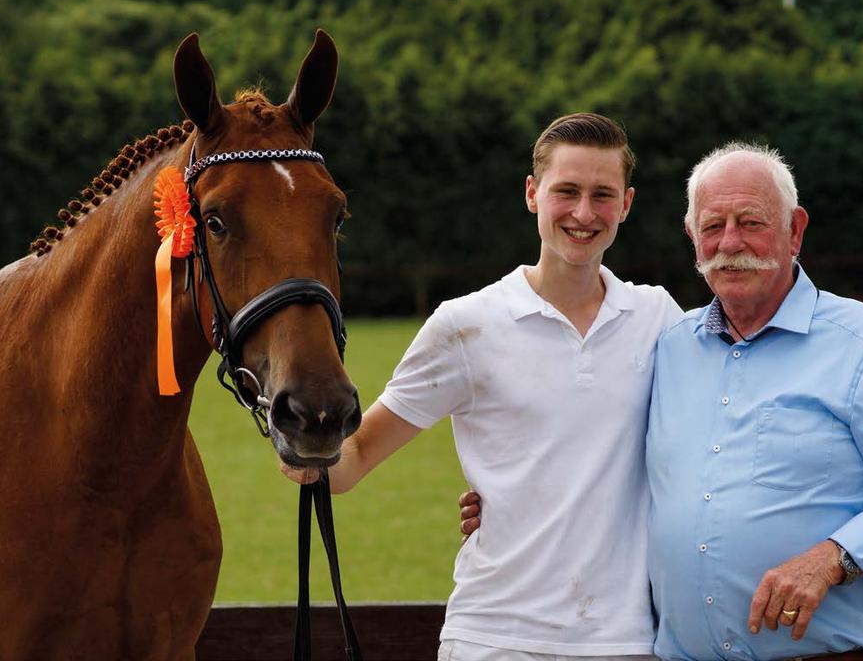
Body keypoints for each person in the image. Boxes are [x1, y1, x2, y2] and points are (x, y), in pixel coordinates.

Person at [284, 113, 682, 660]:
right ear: (532, 194)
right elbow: (354, 459)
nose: (584, 213)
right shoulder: (465, 325)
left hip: (627, 641)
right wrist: (306, 445)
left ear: (627, 204)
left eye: (602, 195)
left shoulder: (659, 317)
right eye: (566, 191)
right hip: (494, 639)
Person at [644, 143, 863, 660]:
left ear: (795, 230)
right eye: (712, 225)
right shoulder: (669, 349)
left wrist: (837, 556)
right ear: (691, 238)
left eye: (751, 222)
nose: (730, 242)